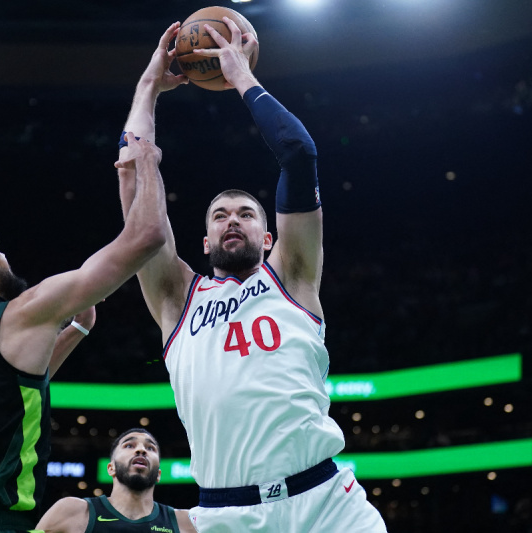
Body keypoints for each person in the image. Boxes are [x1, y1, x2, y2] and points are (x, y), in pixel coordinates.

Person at [116, 20, 387, 532]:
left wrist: (240, 75)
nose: (232, 219)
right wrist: (148, 87)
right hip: (227, 514)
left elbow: (299, 153)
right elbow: (134, 191)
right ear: (204, 243)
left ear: (270, 238)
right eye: (219, 215)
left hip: (328, 503)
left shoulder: (294, 274)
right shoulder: (178, 298)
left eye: (246, 213)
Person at [0, 134, 169, 532]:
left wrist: (77, 330)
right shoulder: (18, 312)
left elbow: (5, 389)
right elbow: (146, 237)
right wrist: (148, 161)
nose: (5, 255)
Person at [35, 428, 195, 532]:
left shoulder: (186, 523)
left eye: (150, 448)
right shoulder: (73, 511)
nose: (141, 449)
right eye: (129, 445)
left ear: (159, 474)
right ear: (111, 468)